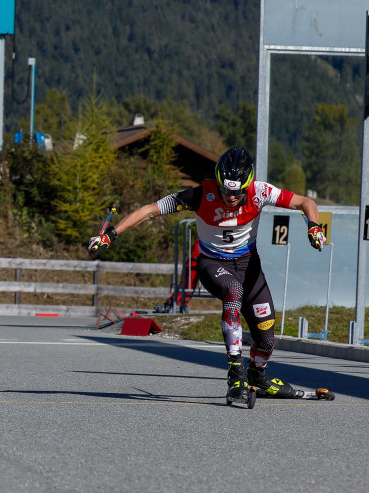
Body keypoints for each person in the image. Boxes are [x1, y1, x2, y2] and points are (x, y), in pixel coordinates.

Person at [88, 147, 326, 402]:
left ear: (248, 185)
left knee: (266, 335)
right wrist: (110, 234)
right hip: (213, 264)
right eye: (225, 190)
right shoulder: (200, 194)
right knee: (233, 291)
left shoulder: (260, 192)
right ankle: (236, 374)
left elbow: (306, 203)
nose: (230, 197)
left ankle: (258, 376)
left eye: (236, 192)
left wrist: (313, 227)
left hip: (248, 265)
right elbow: (149, 211)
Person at [154, 239, 200, 314]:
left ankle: (176, 302)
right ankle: (176, 302)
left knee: (189, 274)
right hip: (206, 243)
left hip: (212, 244)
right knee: (189, 275)